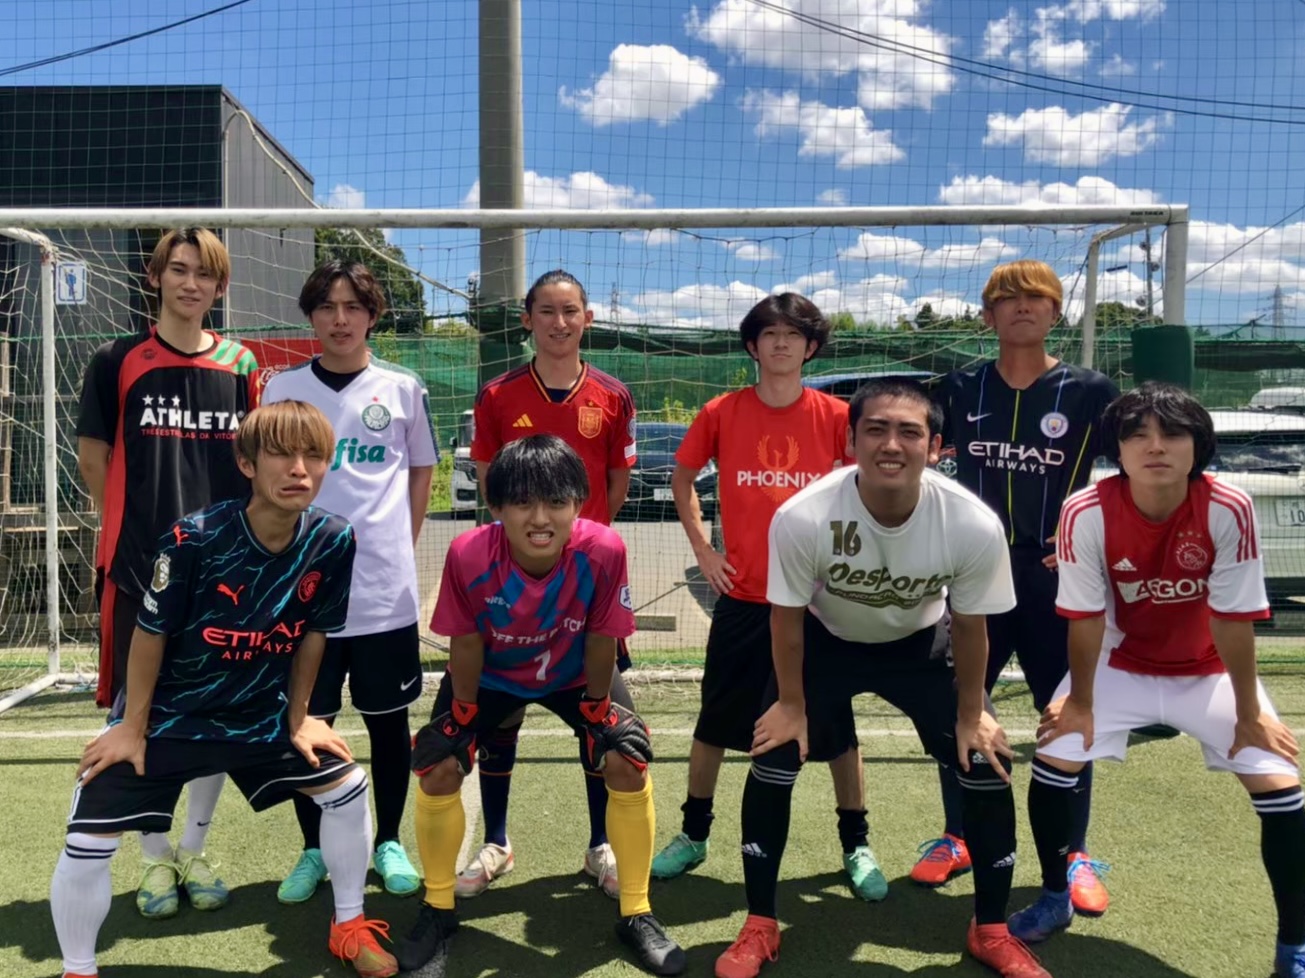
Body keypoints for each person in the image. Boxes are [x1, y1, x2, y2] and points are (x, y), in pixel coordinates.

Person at [716, 378, 1051, 978]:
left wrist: (972, 714)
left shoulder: (972, 522)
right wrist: (790, 704)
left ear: (936, 447)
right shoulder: (803, 515)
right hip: (826, 642)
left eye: (909, 432)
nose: (891, 444)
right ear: (851, 441)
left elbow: (970, 626)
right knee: (772, 751)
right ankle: (760, 924)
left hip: (920, 645)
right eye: (875, 430)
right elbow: (786, 618)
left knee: (986, 759)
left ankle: (991, 929)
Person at [52, 401, 398, 978]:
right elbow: (149, 634)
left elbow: (314, 632)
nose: (299, 468)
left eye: (313, 455)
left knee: (347, 786)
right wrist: (131, 726)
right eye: (281, 454)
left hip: (258, 714)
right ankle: (78, 969)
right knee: (88, 837)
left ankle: (348, 926)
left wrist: (300, 717)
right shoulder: (193, 538)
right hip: (169, 716)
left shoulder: (334, 539)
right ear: (246, 463)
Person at [1010, 382, 1305, 978]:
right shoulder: (1085, 509)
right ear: (1116, 449)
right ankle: (1054, 895)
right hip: (1120, 665)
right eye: (1137, 434)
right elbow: (1086, 618)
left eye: (1172, 433)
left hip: (1208, 671)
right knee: (1055, 758)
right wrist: (1081, 702)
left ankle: (1293, 945)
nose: (1155, 446)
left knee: (1284, 793)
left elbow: (1232, 619)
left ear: (1199, 445)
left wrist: (1250, 714)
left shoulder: (1228, 506)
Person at [395, 434, 685, 976]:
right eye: (523, 502)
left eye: (556, 501)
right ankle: (437, 907)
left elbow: (602, 636)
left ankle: (637, 911)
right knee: (437, 767)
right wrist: (462, 716)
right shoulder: (468, 553)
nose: (540, 518)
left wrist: (598, 709)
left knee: (628, 760)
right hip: (491, 676)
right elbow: (466, 643)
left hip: (574, 674)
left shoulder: (605, 550)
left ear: (578, 503)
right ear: (497, 506)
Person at [649, 294, 881, 899]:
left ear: (811, 346)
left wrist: (852, 563)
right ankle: (693, 833)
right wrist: (705, 550)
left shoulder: (837, 416)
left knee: (837, 727)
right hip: (746, 597)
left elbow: (868, 490)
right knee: (714, 722)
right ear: (753, 346)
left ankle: (856, 843)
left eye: (793, 334)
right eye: (770, 333)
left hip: (819, 604)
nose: (781, 343)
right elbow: (682, 477)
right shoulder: (722, 411)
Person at [75, 227, 260, 919]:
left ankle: (194, 847)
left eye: (204, 274)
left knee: (212, 715)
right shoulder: (116, 358)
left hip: (223, 571)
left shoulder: (242, 363)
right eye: (178, 270)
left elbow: (254, 462)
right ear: (155, 278)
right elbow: (93, 458)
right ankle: (154, 859)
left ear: (220, 286)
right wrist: (128, 531)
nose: (191, 283)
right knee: (139, 716)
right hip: (138, 569)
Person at [927, 260, 1118, 915]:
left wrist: (1087, 538)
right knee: (961, 703)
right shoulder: (959, 387)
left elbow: (1131, 468)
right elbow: (918, 458)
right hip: (975, 572)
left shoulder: (1089, 391)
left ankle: (1072, 852)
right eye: (1006, 299)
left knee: (1065, 710)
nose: (1021, 307)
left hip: (1054, 574)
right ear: (988, 316)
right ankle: (957, 834)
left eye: (1036, 298)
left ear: (1055, 312)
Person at [262, 260, 438, 903]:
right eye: (327, 307)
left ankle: (387, 840)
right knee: (305, 722)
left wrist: (396, 545)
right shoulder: (282, 388)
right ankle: (314, 849)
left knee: (388, 724)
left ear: (372, 315)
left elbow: (420, 471)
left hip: (382, 596)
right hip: (300, 593)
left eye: (353, 307)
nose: (340, 319)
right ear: (310, 315)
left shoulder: (402, 389)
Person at [460, 269, 638, 900]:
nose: (559, 323)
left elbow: (615, 484)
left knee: (599, 718)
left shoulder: (613, 395)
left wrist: (585, 550)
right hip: (513, 582)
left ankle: (601, 844)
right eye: (546, 311)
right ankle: (497, 841)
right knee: (498, 714)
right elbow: (490, 483)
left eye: (570, 311)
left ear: (588, 317)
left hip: (584, 585)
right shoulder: (498, 394)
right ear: (527, 319)